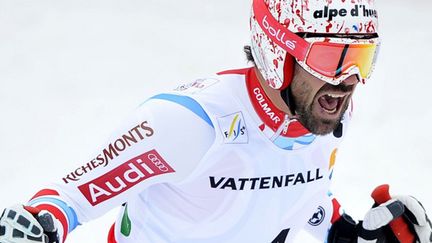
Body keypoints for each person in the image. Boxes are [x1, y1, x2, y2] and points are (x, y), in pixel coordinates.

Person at [0, 0, 430, 242]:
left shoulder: (328, 114)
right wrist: (37, 223)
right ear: (278, 51)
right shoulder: (189, 122)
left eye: (361, 60)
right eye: (332, 60)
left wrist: (349, 234)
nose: (349, 81)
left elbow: (297, 192)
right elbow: (66, 201)